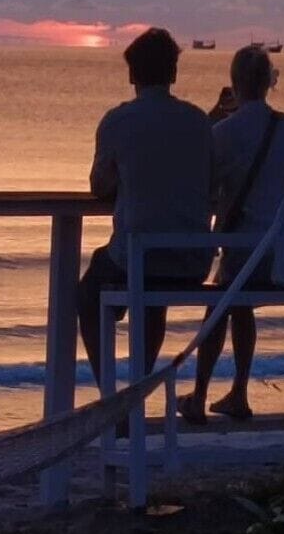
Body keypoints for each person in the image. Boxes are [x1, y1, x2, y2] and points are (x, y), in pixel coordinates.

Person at [177, 45, 284, 425]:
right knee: (234, 291)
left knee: (223, 296)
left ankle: (201, 394)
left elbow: (201, 179)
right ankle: (238, 392)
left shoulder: (223, 132)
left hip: (259, 259)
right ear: (268, 83)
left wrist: (213, 119)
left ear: (234, 84)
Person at [78, 27, 213, 391]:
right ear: (173, 73)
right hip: (192, 262)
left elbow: (99, 186)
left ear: (131, 74)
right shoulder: (200, 122)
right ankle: (134, 396)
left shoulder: (118, 121)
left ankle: (111, 396)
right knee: (151, 291)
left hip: (140, 259)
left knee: (88, 294)